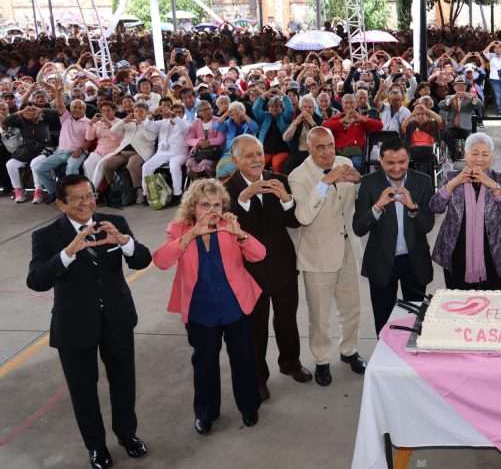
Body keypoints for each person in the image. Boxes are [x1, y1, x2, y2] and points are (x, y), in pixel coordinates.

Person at [26, 175, 151, 468]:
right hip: (74, 324)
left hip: (117, 319)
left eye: (90, 195)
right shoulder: (46, 236)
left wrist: (125, 243)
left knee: (124, 382)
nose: (87, 203)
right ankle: (96, 447)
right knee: (83, 391)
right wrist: (69, 252)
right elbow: (37, 280)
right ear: (61, 204)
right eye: (78, 198)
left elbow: (142, 260)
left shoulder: (114, 222)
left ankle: (127, 435)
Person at [152, 179, 266, 434]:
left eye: (217, 205)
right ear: (192, 207)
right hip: (200, 311)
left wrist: (241, 235)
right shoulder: (179, 229)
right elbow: (161, 261)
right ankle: (206, 413)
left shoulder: (230, 226)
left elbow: (259, 254)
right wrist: (191, 234)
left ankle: (249, 407)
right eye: (205, 205)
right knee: (204, 365)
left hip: (236, 306)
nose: (212, 210)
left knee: (244, 360)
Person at [225, 135, 311, 401]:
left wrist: (286, 200)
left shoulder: (279, 180)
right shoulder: (227, 190)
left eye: (259, 154)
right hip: (249, 271)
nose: (256, 160)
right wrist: (244, 199)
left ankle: (290, 363)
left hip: (282, 264)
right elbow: (228, 230)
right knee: (256, 328)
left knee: (287, 320)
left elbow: (294, 222)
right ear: (235, 160)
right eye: (248, 155)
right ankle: (258, 377)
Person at [288, 127, 366, 384]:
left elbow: (357, 199)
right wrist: (325, 182)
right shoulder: (299, 176)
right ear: (308, 148)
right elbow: (303, 216)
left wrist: (358, 181)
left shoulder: (345, 163)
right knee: (320, 315)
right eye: (319, 147)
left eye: (330, 145)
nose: (327, 152)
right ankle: (322, 359)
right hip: (318, 255)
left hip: (347, 248)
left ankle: (349, 350)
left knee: (351, 308)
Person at [353, 138, 437, 334]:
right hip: (381, 262)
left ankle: (411, 352)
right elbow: (359, 228)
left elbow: (427, 225)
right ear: (380, 161)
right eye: (390, 163)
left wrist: (412, 207)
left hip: (414, 262)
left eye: (402, 162)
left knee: (415, 321)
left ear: (409, 159)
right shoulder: (369, 183)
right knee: (383, 321)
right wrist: (377, 207)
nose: (397, 168)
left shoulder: (423, 182)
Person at [429, 133, 501, 290]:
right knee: (459, 301)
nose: (479, 159)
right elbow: (435, 207)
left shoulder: (500, 178)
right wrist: (453, 184)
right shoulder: (451, 177)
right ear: (466, 155)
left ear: (492, 157)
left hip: (494, 253)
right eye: (475, 153)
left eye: (485, 154)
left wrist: (493, 186)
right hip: (457, 252)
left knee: (492, 300)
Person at [32, 81, 91, 203]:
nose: (77, 109)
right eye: (74, 107)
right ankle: (54, 192)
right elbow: (59, 105)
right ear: (71, 109)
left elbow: (88, 140)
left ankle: (73, 196)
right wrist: (58, 92)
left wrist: (80, 150)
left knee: (71, 170)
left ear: (84, 110)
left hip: (77, 152)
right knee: (40, 169)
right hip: (61, 152)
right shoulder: (66, 117)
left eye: (80, 107)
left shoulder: (88, 122)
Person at [141, 104, 190, 204]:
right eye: (174, 111)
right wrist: (153, 115)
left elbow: (185, 129)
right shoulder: (163, 122)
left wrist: (175, 117)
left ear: (183, 113)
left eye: (179, 112)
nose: (176, 114)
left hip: (179, 153)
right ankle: (147, 193)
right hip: (163, 153)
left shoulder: (186, 123)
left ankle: (177, 194)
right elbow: (147, 125)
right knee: (146, 167)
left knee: (174, 166)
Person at [185, 101, 224, 179]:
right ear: (199, 113)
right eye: (205, 110)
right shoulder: (195, 123)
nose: (208, 111)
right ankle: (197, 183)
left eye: (209, 108)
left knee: (205, 163)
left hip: (213, 153)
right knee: (189, 163)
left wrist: (209, 142)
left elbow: (221, 138)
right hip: (199, 153)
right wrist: (199, 142)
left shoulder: (218, 121)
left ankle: (209, 182)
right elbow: (189, 139)